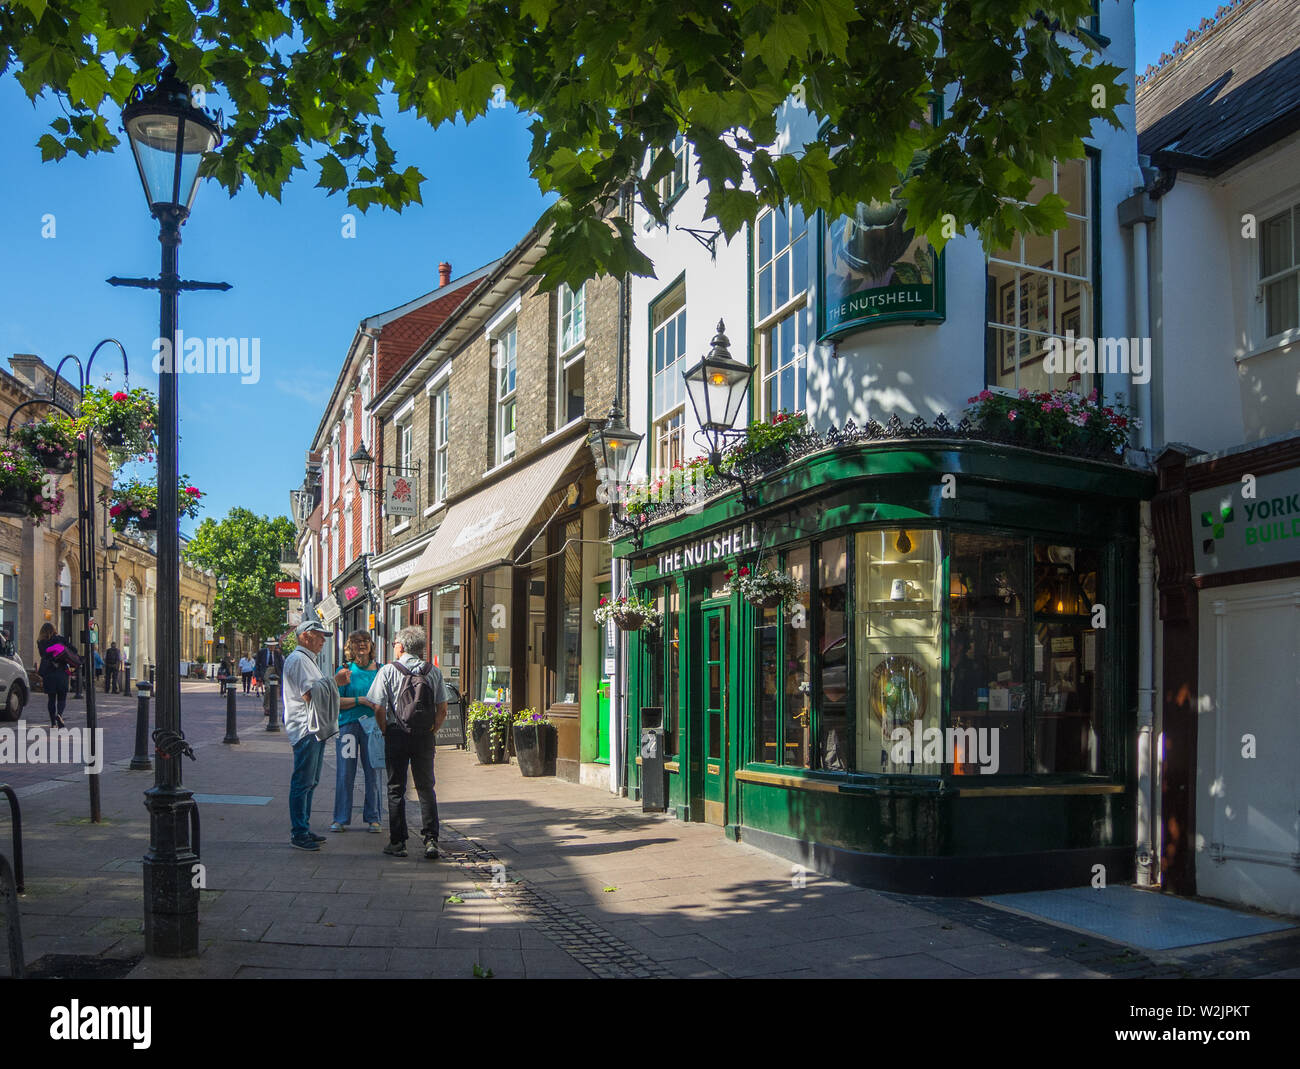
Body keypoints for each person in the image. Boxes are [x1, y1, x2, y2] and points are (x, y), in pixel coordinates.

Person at [365, 625, 447, 860]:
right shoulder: (434, 672)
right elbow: (442, 709)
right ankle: (431, 840)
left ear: (400, 646)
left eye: (395, 644)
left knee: (395, 789)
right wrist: (432, 729)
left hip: (396, 734)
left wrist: (384, 730)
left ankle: (398, 842)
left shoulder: (389, 670)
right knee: (426, 788)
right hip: (424, 737)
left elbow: (378, 706)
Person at [282, 621, 335, 851]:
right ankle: (299, 832)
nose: (323, 641)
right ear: (305, 636)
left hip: (314, 727)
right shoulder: (299, 660)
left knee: (310, 782)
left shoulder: (307, 660)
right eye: (320, 636)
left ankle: (303, 826)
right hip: (306, 728)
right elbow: (309, 695)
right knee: (303, 782)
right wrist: (336, 682)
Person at [330, 630, 383, 833]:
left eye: (365, 641)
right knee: (345, 772)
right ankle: (340, 818)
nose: (362, 645)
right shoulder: (344, 671)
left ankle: (374, 818)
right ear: (350, 647)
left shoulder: (381, 670)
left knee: (373, 772)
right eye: (356, 642)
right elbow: (335, 702)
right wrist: (360, 701)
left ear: (371, 645)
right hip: (348, 727)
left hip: (373, 727)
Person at [36, 622, 70, 728]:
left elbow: (43, 655)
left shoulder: (41, 642)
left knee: (51, 698)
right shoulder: (61, 639)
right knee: (62, 697)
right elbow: (73, 650)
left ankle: (53, 723)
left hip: (49, 672)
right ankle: (59, 715)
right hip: (62, 671)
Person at [256, 642, 285, 714]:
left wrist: (282, 676)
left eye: (273, 646)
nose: (272, 647)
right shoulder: (262, 652)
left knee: (275, 691)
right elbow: (257, 665)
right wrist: (258, 676)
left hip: (276, 671)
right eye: (270, 646)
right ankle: (266, 707)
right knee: (268, 688)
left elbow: (281, 665)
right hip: (266, 670)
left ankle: (272, 707)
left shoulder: (277, 653)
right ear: (267, 645)